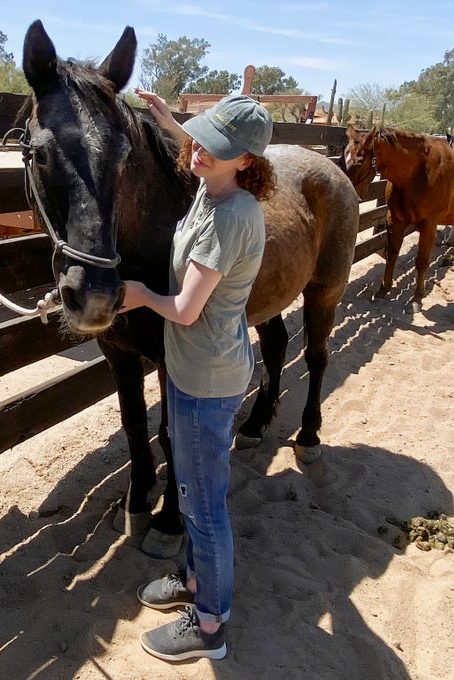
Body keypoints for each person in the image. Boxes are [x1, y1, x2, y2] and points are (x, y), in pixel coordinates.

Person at [122, 88, 276, 662]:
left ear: (247, 161)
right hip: (201, 365)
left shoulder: (228, 217)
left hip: (203, 376)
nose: (199, 151)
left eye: (217, 146)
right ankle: (192, 581)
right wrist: (166, 115)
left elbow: (185, 310)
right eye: (202, 138)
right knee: (193, 492)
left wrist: (137, 294)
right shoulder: (213, 190)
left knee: (203, 505)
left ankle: (209, 625)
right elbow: (193, 144)